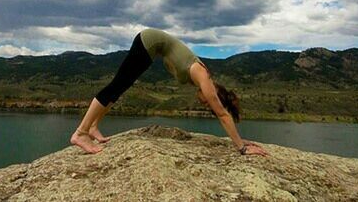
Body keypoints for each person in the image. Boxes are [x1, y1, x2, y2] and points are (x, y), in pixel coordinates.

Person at [70, 28, 269, 156]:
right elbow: (223, 114)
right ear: (215, 94)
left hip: (150, 44)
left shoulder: (199, 77)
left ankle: (94, 126)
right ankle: (81, 132)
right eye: (208, 102)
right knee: (116, 85)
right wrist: (242, 148)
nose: (204, 103)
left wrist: (239, 137)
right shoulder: (205, 79)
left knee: (120, 86)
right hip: (148, 41)